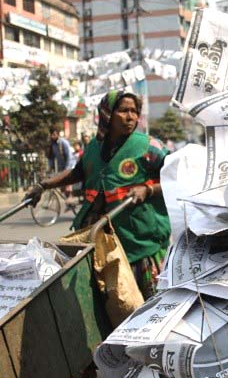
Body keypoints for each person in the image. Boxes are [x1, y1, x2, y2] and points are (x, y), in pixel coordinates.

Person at [26, 90, 171, 297]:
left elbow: (179, 177)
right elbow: (77, 172)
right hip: (104, 242)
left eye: (134, 111)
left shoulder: (149, 146)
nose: (131, 117)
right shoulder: (94, 147)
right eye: (123, 111)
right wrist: (43, 185)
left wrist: (148, 190)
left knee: (149, 302)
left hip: (142, 245)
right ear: (107, 115)